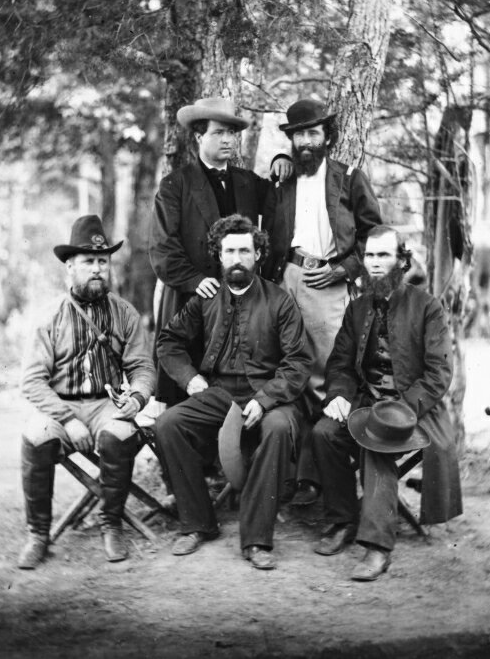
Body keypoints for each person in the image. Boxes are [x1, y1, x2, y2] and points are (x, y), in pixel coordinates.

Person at [154, 214, 311, 570]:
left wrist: (265, 399)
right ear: (218, 256)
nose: (237, 258)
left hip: (271, 397)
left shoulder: (280, 301)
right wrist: (190, 379)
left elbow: (298, 362)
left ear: (258, 255)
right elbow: (169, 342)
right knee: (168, 424)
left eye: (245, 250)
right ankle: (198, 523)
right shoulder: (204, 299)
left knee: (277, 428)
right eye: (229, 251)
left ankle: (256, 539)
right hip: (219, 395)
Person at [309, 225, 462, 581]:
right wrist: (340, 396)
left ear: (401, 261)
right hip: (365, 403)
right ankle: (343, 519)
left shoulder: (428, 307)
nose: (375, 264)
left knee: (377, 443)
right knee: (323, 433)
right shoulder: (358, 308)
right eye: (370, 256)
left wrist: (401, 410)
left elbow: (439, 372)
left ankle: (378, 548)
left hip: (416, 411)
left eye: (384, 256)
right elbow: (341, 365)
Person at [261, 98, 383, 505]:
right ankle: (301, 478)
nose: (306, 142)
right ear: (292, 142)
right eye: (298, 135)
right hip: (286, 279)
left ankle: (331, 482)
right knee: (289, 370)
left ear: (326, 137)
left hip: (327, 280)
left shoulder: (349, 178)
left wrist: (344, 269)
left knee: (330, 376)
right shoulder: (284, 180)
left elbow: (374, 235)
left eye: (313, 133)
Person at [17, 215, 156, 568]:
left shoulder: (124, 313)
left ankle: (111, 523)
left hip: (105, 406)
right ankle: (38, 534)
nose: (97, 269)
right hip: (59, 407)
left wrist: (137, 397)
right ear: (69, 268)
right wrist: (67, 419)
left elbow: (142, 368)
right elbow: (32, 381)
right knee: (36, 437)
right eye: (88, 262)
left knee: (120, 435)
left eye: (102, 262)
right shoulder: (49, 316)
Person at [149, 97, 291, 407]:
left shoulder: (246, 181)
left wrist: (282, 157)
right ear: (199, 137)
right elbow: (162, 245)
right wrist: (192, 279)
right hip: (194, 297)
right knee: (188, 389)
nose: (227, 140)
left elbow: (280, 199)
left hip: (241, 300)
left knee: (237, 382)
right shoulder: (176, 185)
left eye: (231, 132)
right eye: (218, 133)